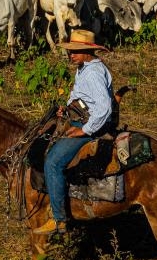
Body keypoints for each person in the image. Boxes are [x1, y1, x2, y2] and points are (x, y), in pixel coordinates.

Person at [33, 29, 114, 235]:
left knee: (52, 162)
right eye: (70, 51)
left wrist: (84, 131)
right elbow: (79, 96)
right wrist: (67, 108)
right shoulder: (83, 68)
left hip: (89, 125)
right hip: (77, 119)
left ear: (88, 51)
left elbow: (104, 107)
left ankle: (59, 219)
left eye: (76, 51)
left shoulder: (94, 73)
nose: (71, 54)